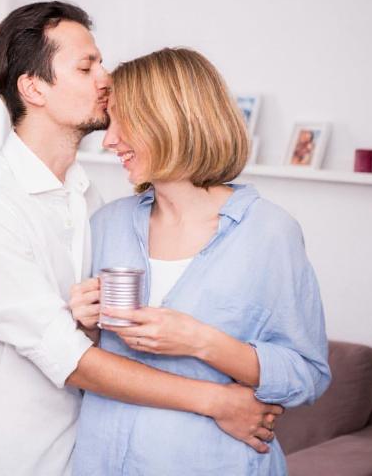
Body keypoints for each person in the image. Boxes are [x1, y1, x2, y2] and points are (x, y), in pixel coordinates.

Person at [0, 2, 280, 476]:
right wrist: (217, 400)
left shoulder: (92, 201)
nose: (105, 77)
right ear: (33, 88)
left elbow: (107, 337)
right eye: (85, 66)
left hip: (95, 455)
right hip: (15, 459)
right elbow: (70, 360)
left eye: (101, 61)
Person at [68, 47, 332, 475]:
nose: (109, 139)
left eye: (122, 121)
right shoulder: (106, 226)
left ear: (169, 118)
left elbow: (307, 375)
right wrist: (86, 324)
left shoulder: (268, 232)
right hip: (100, 462)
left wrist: (199, 340)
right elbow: (83, 359)